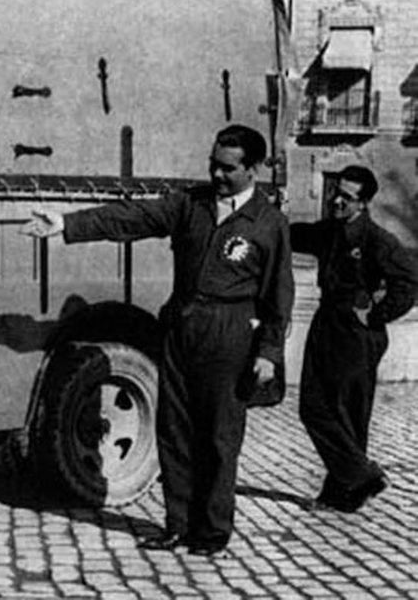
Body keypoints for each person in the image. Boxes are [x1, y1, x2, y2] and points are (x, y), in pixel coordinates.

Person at [21, 124, 294, 557]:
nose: (217, 176)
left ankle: (212, 531)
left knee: (220, 438)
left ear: (253, 169)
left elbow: (279, 294)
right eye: (212, 165)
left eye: (227, 169)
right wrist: (67, 224)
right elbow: (135, 217)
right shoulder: (191, 205)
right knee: (174, 431)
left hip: (229, 333)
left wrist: (269, 353)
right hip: (181, 327)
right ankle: (177, 524)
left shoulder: (268, 222)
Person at [291, 165, 418, 513]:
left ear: (363, 204)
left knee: (348, 414)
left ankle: (346, 491)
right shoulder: (329, 232)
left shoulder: (377, 240)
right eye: (336, 193)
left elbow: (408, 281)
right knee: (313, 408)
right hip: (327, 323)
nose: (336, 201)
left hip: (357, 333)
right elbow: (296, 235)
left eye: (346, 198)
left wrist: (376, 315)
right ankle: (358, 476)